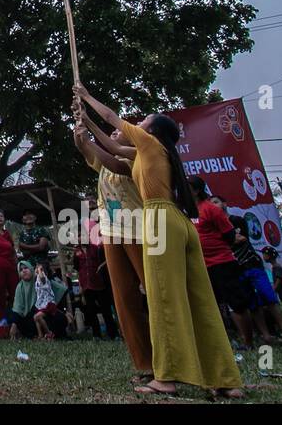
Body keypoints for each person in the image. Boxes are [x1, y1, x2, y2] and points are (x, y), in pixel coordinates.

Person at [74, 83, 242, 398]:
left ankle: (165, 377)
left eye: (142, 123)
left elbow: (112, 116)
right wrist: (85, 121)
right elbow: (110, 153)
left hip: (158, 222)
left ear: (152, 131)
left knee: (164, 300)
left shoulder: (149, 144)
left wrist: (86, 97)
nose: (136, 127)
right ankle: (225, 379)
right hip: (178, 223)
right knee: (199, 302)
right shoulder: (149, 154)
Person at [74, 121, 152, 379]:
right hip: (111, 231)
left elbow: (113, 162)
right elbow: (89, 153)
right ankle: (144, 364)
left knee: (153, 294)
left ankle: (171, 355)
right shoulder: (107, 161)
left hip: (139, 229)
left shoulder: (141, 158)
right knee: (124, 298)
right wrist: (80, 136)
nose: (114, 133)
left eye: (119, 132)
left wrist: (90, 126)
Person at [188, 175, 257, 349]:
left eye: (187, 186)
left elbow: (229, 235)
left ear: (196, 190)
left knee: (237, 304)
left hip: (222, 263)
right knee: (213, 305)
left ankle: (248, 342)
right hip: (201, 266)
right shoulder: (188, 211)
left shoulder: (211, 209)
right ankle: (223, 342)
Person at [229, 216, 282, 346]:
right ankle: (266, 335)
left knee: (270, 299)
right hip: (237, 269)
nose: (214, 205)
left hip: (253, 264)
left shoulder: (236, 220)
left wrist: (227, 242)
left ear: (224, 204)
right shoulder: (214, 225)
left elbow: (242, 238)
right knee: (253, 304)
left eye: (217, 202)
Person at [73, 235, 117, 340]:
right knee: (91, 311)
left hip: (99, 284)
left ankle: (113, 334)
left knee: (106, 310)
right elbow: (78, 269)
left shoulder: (96, 248)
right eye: (79, 237)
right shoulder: (76, 252)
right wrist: (80, 285)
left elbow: (104, 263)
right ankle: (96, 335)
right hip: (86, 285)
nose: (81, 239)